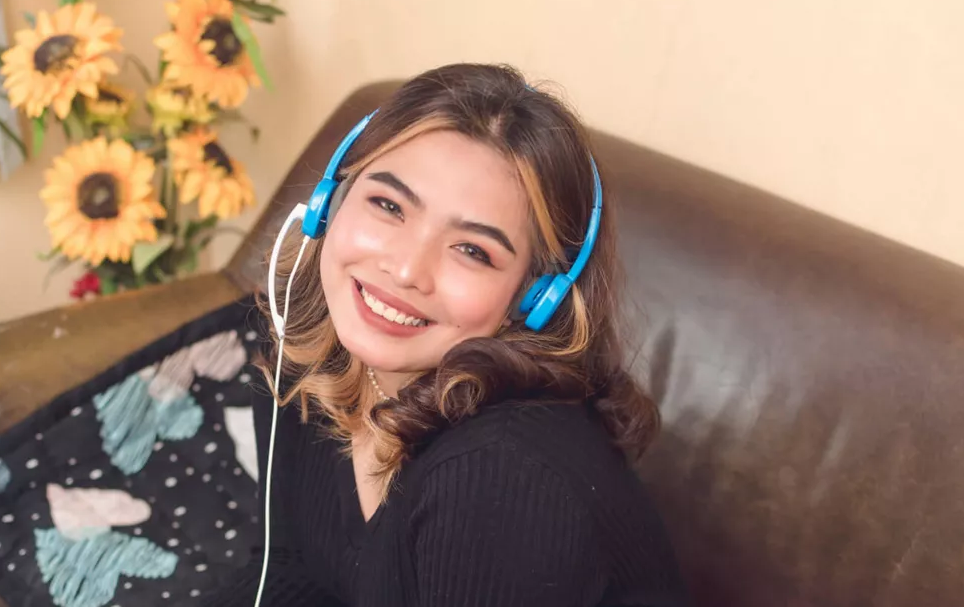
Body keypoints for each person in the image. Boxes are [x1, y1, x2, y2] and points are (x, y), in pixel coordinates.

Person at [203, 63, 690, 606]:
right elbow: (287, 568)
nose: (408, 269)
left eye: (472, 251)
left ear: (533, 297)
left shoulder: (498, 479)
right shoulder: (309, 338)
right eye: (389, 206)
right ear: (329, 204)